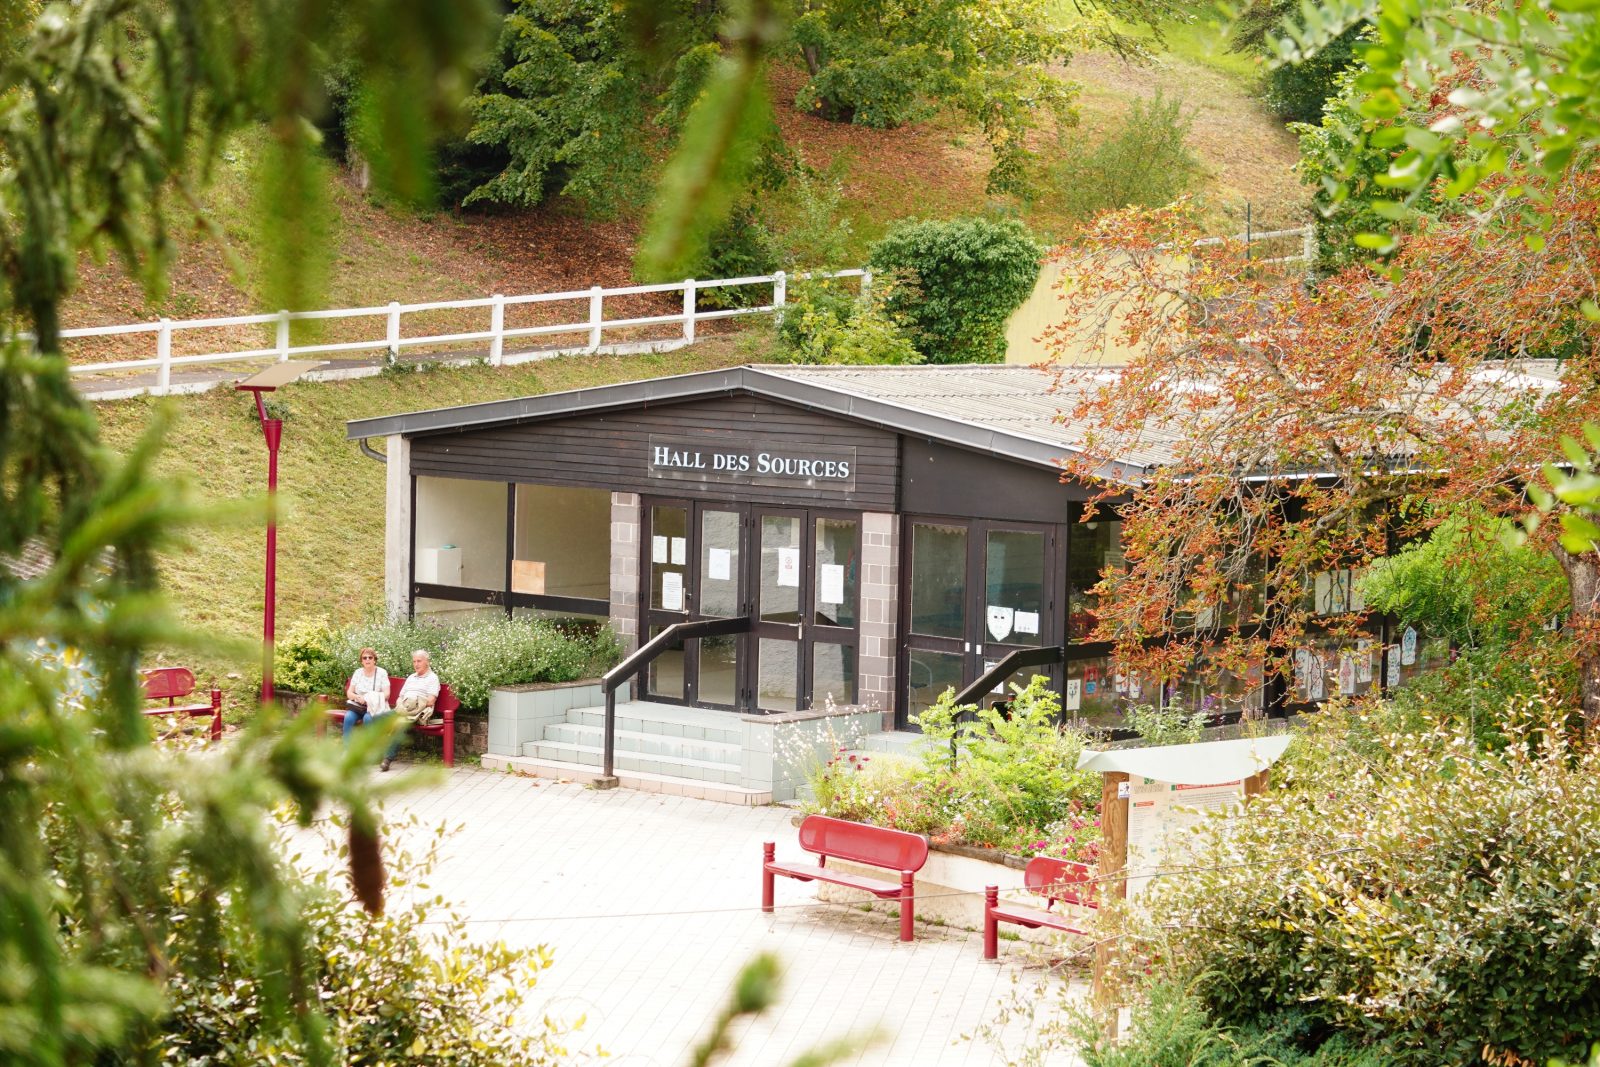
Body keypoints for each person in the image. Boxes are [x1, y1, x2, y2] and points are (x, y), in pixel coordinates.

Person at [383, 648, 441, 772]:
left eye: (419, 661)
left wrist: (411, 705)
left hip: (417, 713)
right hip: (403, 709)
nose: (416, 664)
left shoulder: (432, 678)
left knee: (400, 725)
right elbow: (400, 697)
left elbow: (430, 701)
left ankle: (387, 759)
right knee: (376, 718)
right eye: (414, 661)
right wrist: (401, 706)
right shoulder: (411, 677)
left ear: (427, 662)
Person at [340, 648, 390, 746]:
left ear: (374, 660)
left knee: (368, 719)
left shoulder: (381, 673)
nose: (367, 659)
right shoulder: (358, 672)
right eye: (364, 658)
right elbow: (349, 692)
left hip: (374, 708)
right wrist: (357, 697)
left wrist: (368, 699)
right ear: (362, 661)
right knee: (348, 717)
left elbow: (387, 694)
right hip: (358, 707)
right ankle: (347, 750)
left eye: (370, 657)